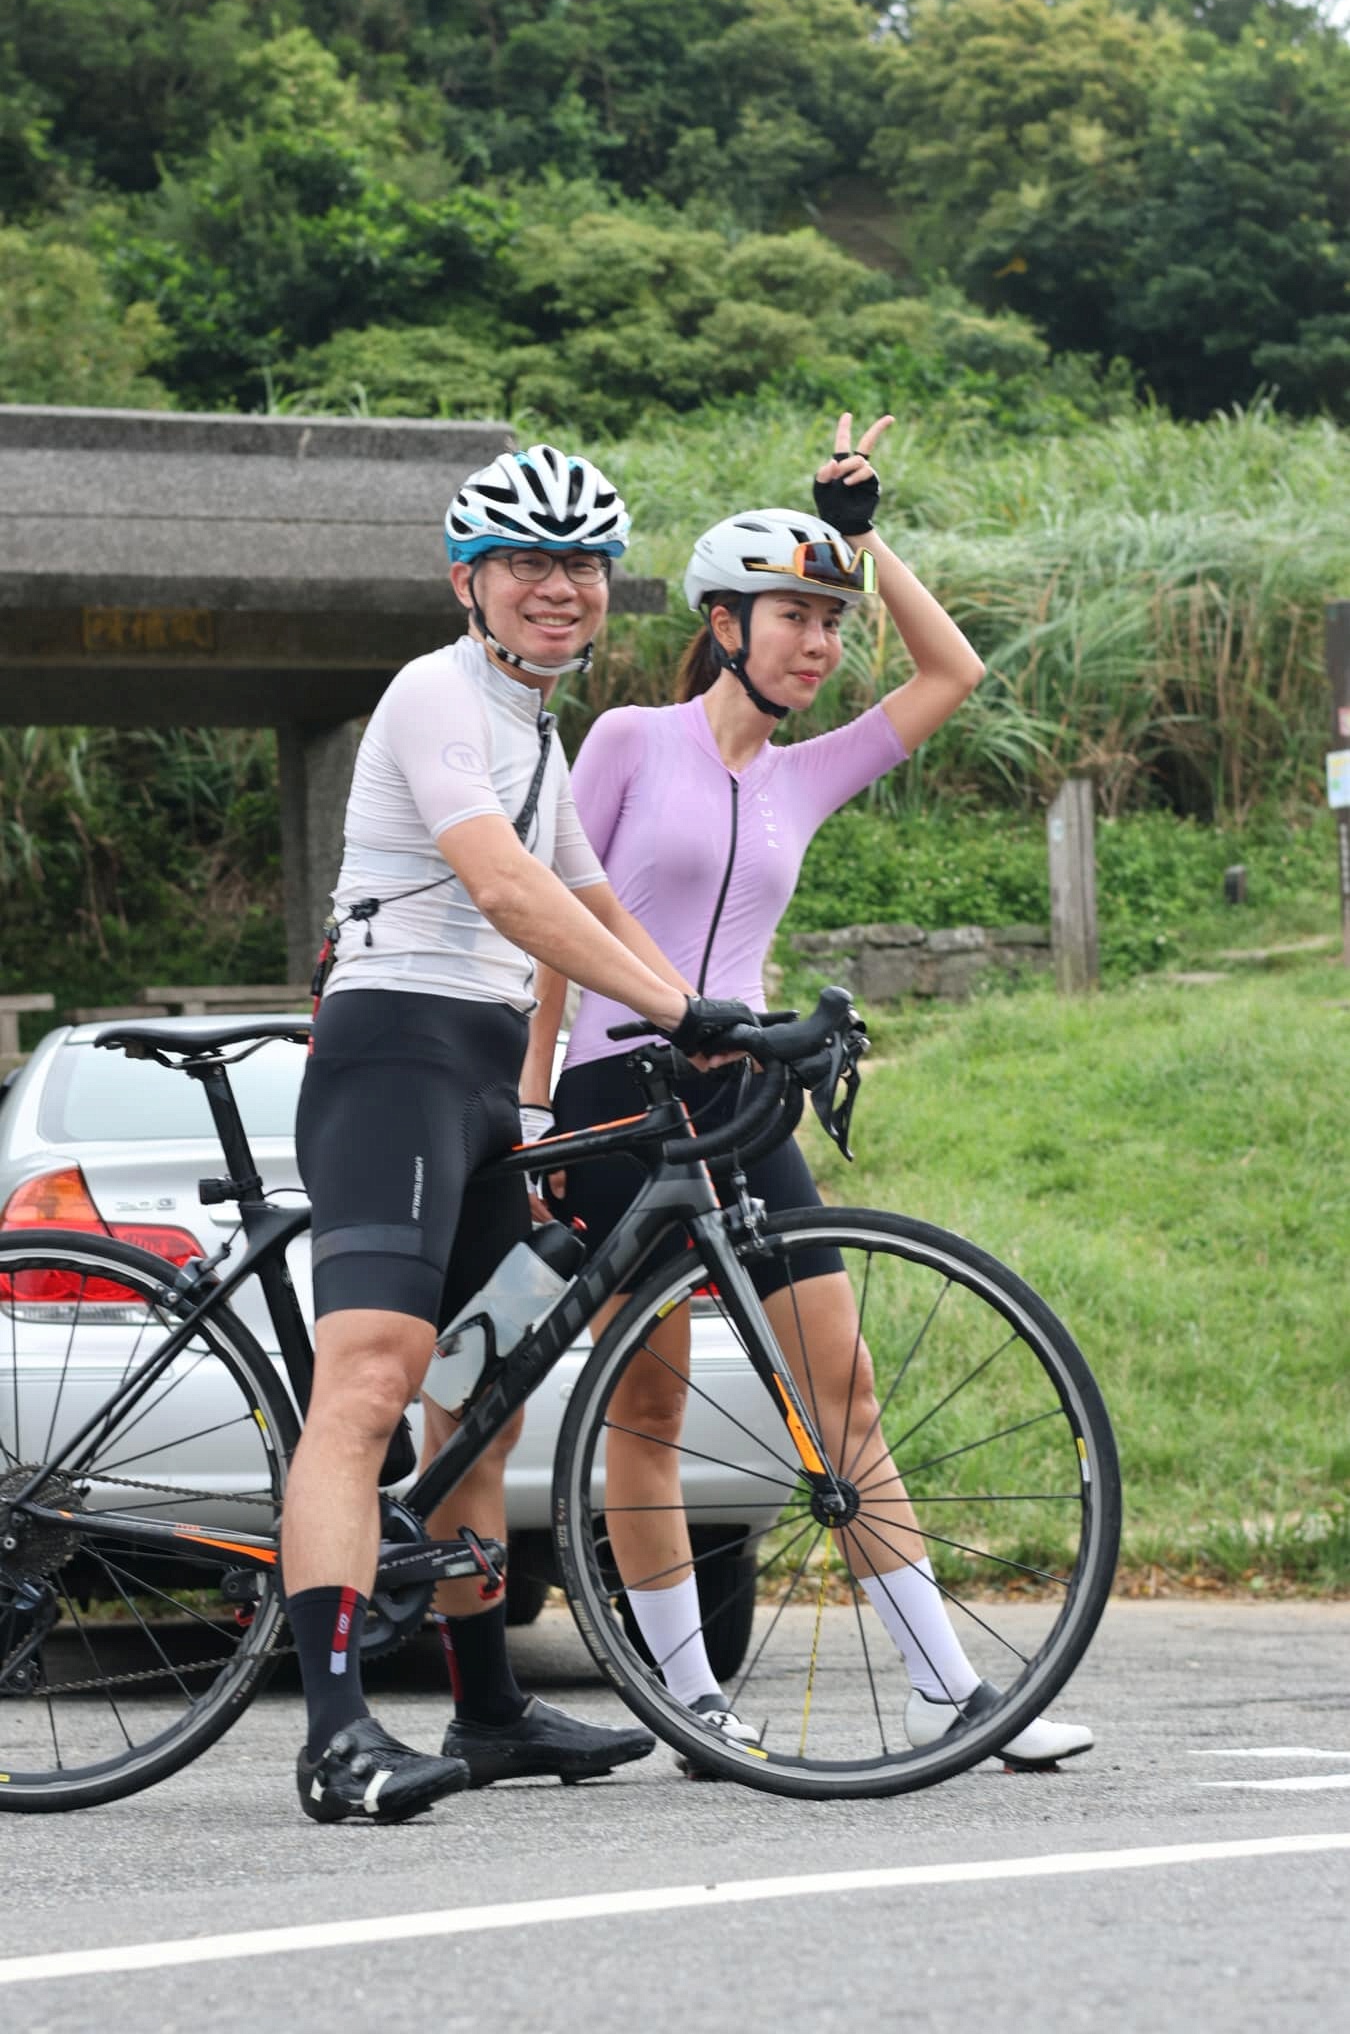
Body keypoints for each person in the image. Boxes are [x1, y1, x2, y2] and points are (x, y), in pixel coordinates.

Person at [525, 413, 1094, 1773]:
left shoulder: (805, 773)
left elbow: (953, 672)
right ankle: (690, 1705)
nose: (819, 642)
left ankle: (952, 1692)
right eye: (795, 614)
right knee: (647, 1407)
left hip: (741, 1103)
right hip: (617, 1094)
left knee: (845, 1397)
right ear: (724, 623)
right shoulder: (627, 739)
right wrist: (533, 1101)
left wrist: (861, 538)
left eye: (831, 623)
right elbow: (551, 918)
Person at [285, 442, 754, 1823]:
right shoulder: (434, 692)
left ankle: (486, 1710)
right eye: (528, 565)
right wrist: (673, 1005)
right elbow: (500, 889)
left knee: (478, 1400)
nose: (560, 588)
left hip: (486, 1073)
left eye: (584, 565)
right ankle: (336, 1740)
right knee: (371, 1383)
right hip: (394, 1052)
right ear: (468, 584)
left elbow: (591, 898)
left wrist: (720, 1020)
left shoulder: (535, 727)